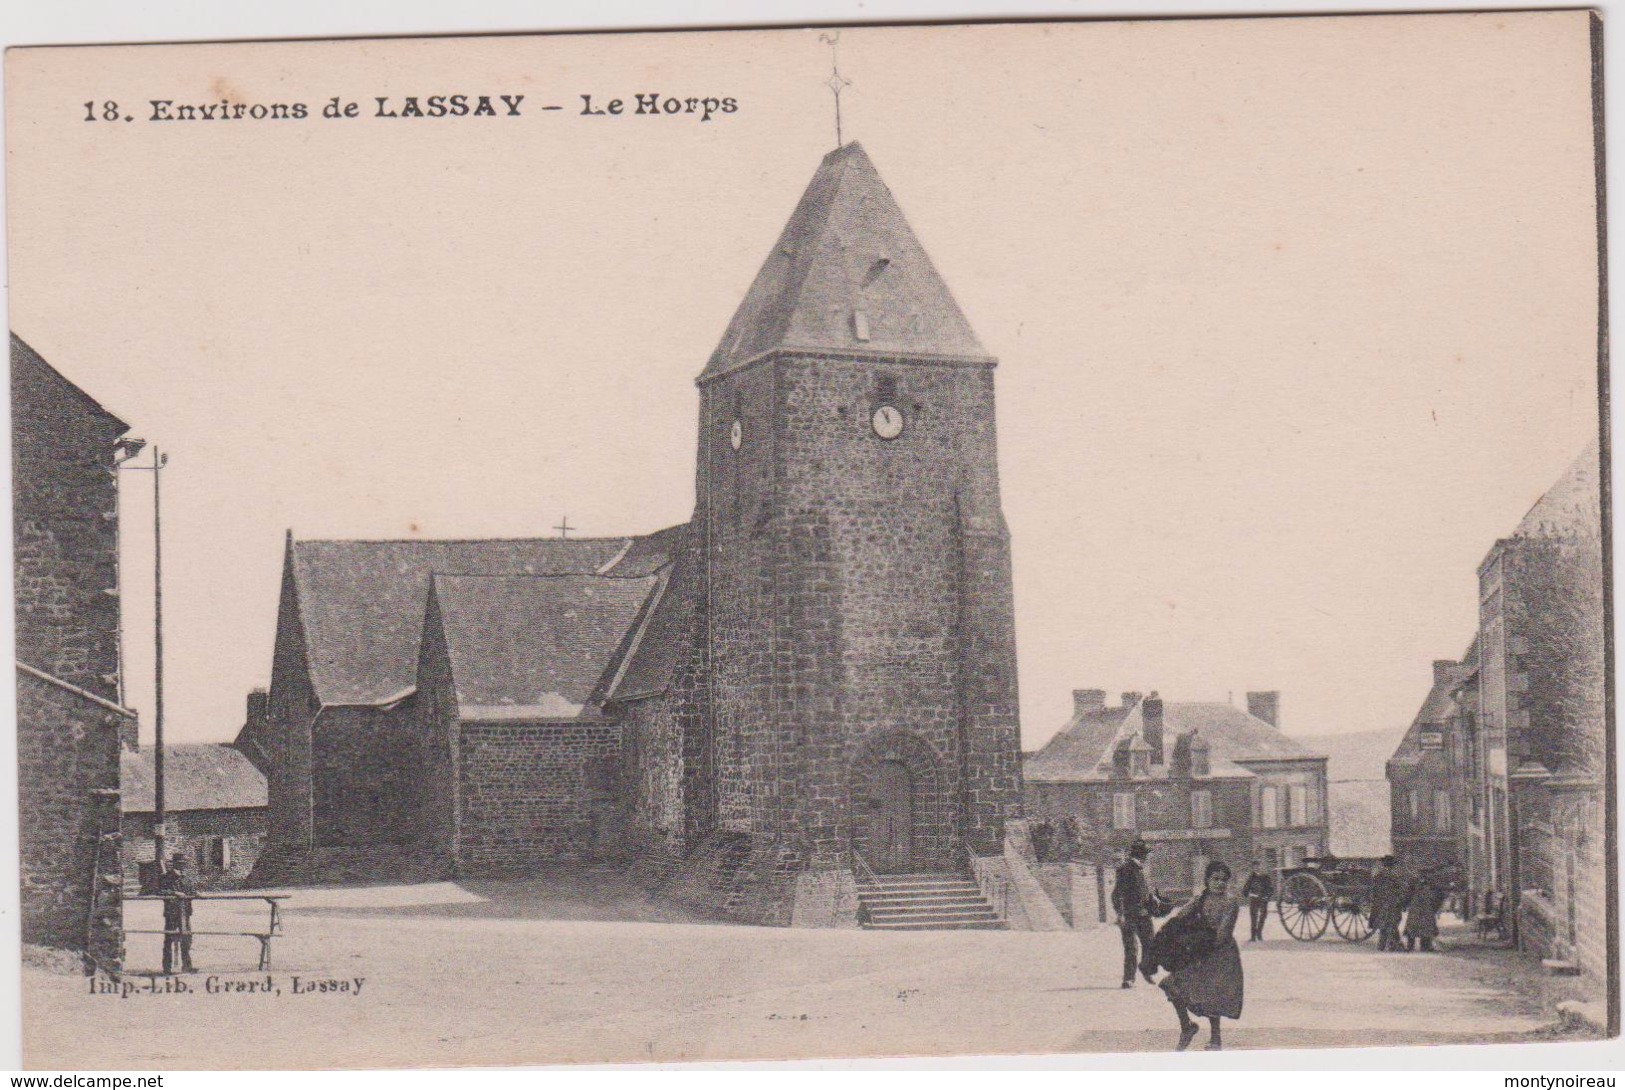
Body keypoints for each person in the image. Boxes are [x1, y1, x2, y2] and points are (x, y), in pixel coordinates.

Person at [1158, 860, 1243, 1051]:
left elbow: (1223, 934)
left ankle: (1215, 1039)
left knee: (1213, 995)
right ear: (1207, 880)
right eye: (1215, 879)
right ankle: (1187, 1027)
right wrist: (1169, 932)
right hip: (1199, 951)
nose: (1220, 883)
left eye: (1224, 880)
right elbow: (1179, 917)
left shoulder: (1231, 903)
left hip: (1220, 955)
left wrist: (1196, 947)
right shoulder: (1200, 899)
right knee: (1170, 984)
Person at [1112, 839, 1158, 988]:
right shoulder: (1125, 870)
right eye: (1146, 854)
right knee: (1131, 947)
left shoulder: (1140, 869)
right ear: (1141, 855)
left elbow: (1144, 892)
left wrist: (1152, 901)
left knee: (1149, 944)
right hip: (1129, 914)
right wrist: (1120, 913)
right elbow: (1117, 894)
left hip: (1144, 915)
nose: (1147, 857)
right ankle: (1128, 978)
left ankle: (1145, 970)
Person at [160, 851, 197, 974]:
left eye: (184, 863)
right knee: (169, 939)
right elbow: (161, 891)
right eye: (180, 863)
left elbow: (190, 890)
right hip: (172, 913)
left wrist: (196, 894)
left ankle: (187, 966)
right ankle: (167, 967)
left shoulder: (185, 877)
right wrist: (175, 893)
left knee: (186, 939)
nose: (182, 865)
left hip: (185, 913)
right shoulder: (166, 877)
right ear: (174, 864)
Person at [1368, 855, 1411, 953]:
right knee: (1392, 923)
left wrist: (1375, 902)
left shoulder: (1378, 876)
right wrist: (1401, 901)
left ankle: (1382, 945)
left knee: (1384, 924)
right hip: (1392, 903)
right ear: (1392, 866)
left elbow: (1373, 892)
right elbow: (1403, 890)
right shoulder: (1394, 877)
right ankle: (1393, 945)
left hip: (1381, 904)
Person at [1404, 867, 1445, 952]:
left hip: (1425, 908)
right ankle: (1412, 945)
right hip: (1418, 908)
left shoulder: (1432, 884)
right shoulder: (1415, 883)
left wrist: (1435, 907)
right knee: (1414, 926)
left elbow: (1440, 896)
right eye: (1423, 873)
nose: (1424, 875)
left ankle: (1424, 945)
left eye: (1426, 873)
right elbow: (1408, 894)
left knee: (1424, 927)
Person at [1241, 859, 1273, 941]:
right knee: (1253, 917)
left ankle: (1259, 934)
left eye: (1258, 866)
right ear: (1253, 868)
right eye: (1254, 866)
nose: (1256, 868)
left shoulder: (1265, 877)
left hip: (1263, 899)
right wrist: (1247, 894)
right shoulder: (1251, 877)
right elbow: (1246, 888)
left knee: (1263, 917)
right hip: (1254, 899)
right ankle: (1253, 937)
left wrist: (1267, 896)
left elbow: (1270, 888)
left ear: (1261, 867)